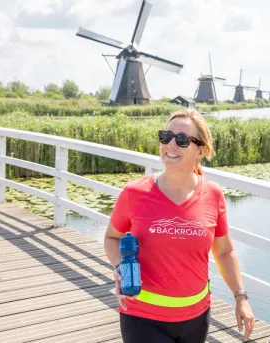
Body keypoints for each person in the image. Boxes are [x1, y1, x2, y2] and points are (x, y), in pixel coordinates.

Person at [104, 109, 255, 343]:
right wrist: (120, 267)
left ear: (201, 150)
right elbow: (112, 237)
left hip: (196, 317)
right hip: (143, 317)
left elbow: (224, 251)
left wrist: (240, 297)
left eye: (182, 140)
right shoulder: (135, 192)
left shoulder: (213, 194)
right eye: (166, 137)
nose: (171, 145)